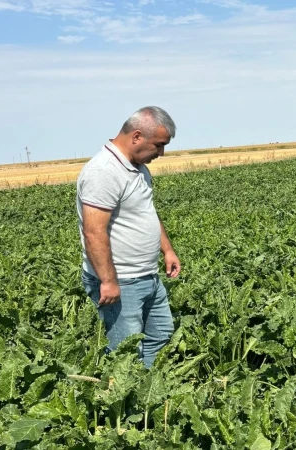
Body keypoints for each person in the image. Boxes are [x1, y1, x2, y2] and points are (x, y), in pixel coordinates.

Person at [76, 106, 181, 368]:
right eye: (158, 145)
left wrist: (166, 250)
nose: (161, 153)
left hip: (147, 275)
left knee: (161, 333)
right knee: (125, 353)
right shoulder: (104, 171)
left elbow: (148, 212)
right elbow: (93, 231)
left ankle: (148, 391)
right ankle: (124, 403)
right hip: (122, 282)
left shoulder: (137, 167)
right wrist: (109, 281)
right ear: (136, 137)